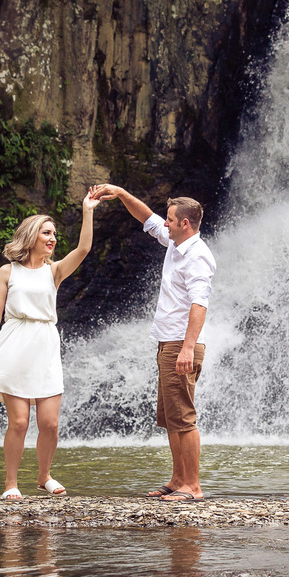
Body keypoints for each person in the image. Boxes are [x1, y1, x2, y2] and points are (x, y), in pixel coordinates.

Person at [0, 188, 102, 500]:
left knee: (50, 424)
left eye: (54, 234)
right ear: (31, 236)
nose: (52, 238)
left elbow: (83, 248)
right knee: (20, 421)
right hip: (14, 345)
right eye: (46, 232)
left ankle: (43, 476)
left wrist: (88, 210)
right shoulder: (7, 271)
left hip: (45, 345)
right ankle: (11, 483)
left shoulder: (55, 271)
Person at [92, 185, 215, 502]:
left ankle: (193, 486)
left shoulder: (198, 256)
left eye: (171, 220)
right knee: (171, 417)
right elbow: (146, 217)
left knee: (184, 417)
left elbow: (199, 305)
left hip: (181, 344)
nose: (166, 223)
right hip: (167, 343)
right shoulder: (175, 246)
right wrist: (120, 193)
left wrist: (188, 348)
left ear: (185, 224)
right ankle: (177, 480)